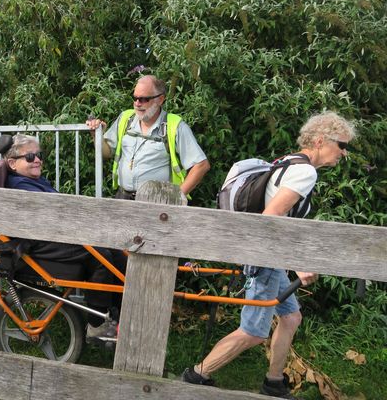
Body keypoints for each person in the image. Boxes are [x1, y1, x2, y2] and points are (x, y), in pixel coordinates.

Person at [182, 111, 356, 398]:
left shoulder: (288, 162)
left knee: (291, 318)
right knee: (253, 332)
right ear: (321, 140)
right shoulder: (305, 171)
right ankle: (196, 375)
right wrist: (298, 265)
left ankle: (273, 383)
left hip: (268, 256)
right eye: (342, 145)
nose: (344, 153)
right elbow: (271, 217)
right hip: (264, 258)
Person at [1, 134, 124, 342]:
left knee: (114, 253)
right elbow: (55, 213)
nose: (38, 160)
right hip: (40, 244)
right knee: (100, 257)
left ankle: (120, 314)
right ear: (12, 163)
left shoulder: (33, 181)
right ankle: (96, 325)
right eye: (30, 157)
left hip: (51, 236)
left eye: (38, 155)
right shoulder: (21, 186)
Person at [86, 75, 210, 201]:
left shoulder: (175, 126)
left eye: (144, 99)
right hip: (123, 198)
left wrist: (175, 198)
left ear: (160, 99)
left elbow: (201, 165)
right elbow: (106, 153)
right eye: (135, 98)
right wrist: (97, 136)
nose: (137, 103)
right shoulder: (125, 118)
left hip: (156, 202)